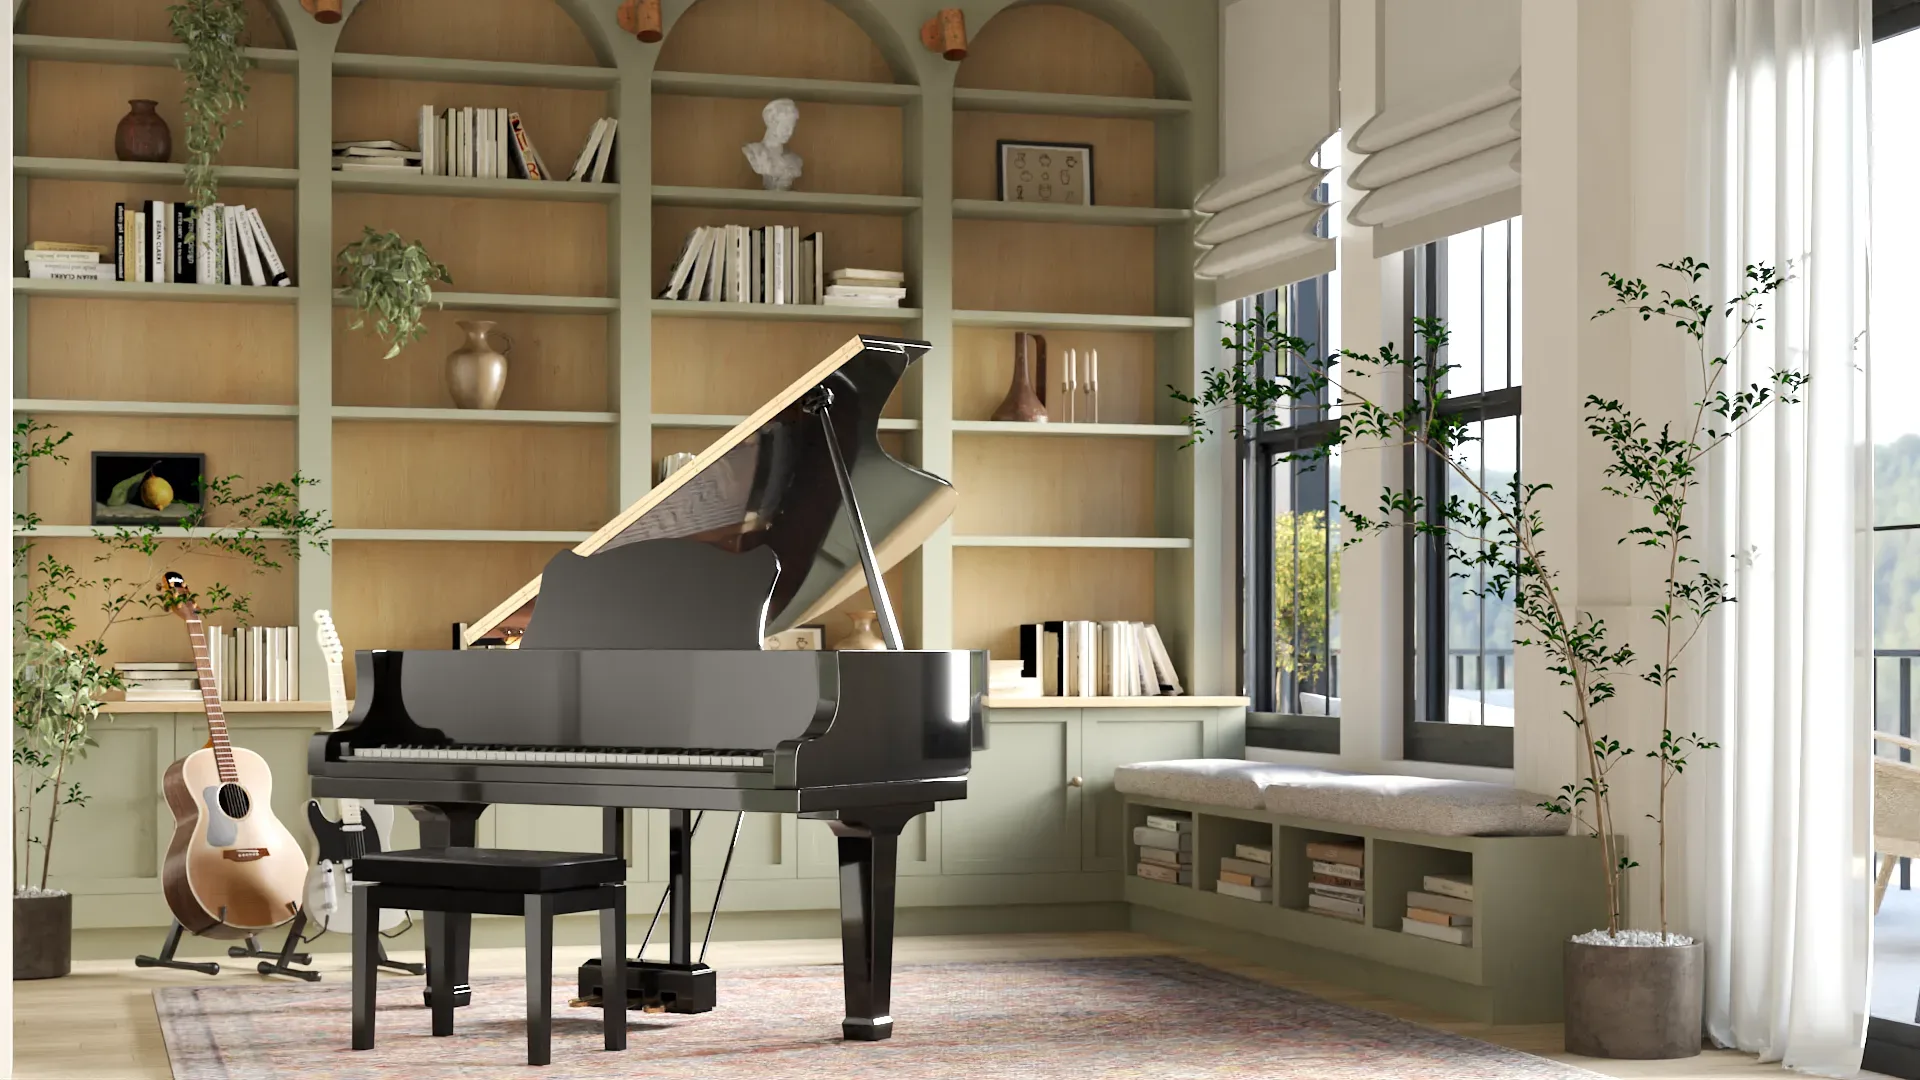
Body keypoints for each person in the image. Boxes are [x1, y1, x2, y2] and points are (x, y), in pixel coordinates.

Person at [742, 98, 803, 191]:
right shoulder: (754, 152)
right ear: (772, 123)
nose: (790, 132)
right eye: (786, 127)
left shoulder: (795, 160)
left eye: (792, 127)